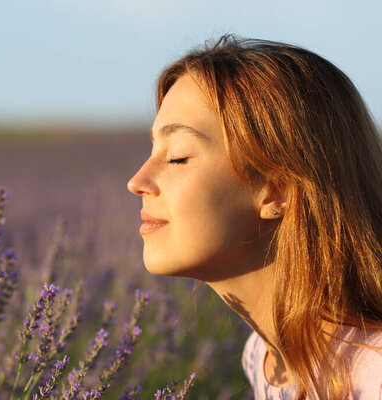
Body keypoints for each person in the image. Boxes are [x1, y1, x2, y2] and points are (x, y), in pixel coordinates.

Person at [126, 34, 382, 399]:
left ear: (277, 188)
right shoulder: (263, 358)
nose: (137, 182)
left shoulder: (371, 376)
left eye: (177, 156)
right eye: (153, 150)